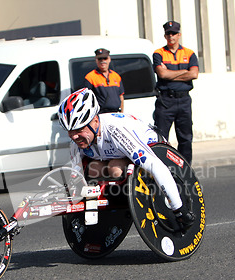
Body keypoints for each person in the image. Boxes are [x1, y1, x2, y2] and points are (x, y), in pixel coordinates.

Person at [58, 88, 194, 227]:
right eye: (70, 131)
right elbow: (75, 176)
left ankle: (123, 199)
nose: (74, 136)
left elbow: (156, 166)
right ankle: (112, 201)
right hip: (118, 155)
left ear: (94, 121)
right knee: (93, 169)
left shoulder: (115, 131)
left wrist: (179, 209)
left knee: (114, 169)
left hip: (154, 150)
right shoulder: (76, 141)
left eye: (79, 130)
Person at [153, 21, 199, 164]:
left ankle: (185, 169)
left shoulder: (189, 54)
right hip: (166, 101)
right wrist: (185, 72)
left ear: (179, 35)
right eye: (168, 33)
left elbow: (194, 74)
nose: (171, 36)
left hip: (184, 100)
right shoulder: (158, 54)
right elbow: (162, 75)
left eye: (173, 33)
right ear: (165, 35)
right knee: (161, 138)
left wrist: (170, 73)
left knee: (185, 138)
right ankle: (161, 167)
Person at [83, 48, 125, 113]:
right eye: (100, 59)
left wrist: (122, 113)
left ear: (109, 59)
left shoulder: (116, 76)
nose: (102, 61)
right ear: (96, 60)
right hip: (100, 114)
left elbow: (121, 97)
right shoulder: (90, 77)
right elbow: (86, 100)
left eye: (105, 58)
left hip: (116, 113)